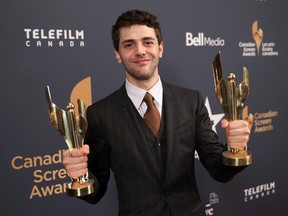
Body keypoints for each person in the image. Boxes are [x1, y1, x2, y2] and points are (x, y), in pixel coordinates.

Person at [62, 9, 251, 216]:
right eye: (129, 44)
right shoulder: (99, 114)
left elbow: (218, 169)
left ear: (160, 48)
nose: (140, 51)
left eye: (148, 42)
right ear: (117, 54)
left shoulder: (191, 101)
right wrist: (80, 175)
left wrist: (234, 149)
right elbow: (95, 192)